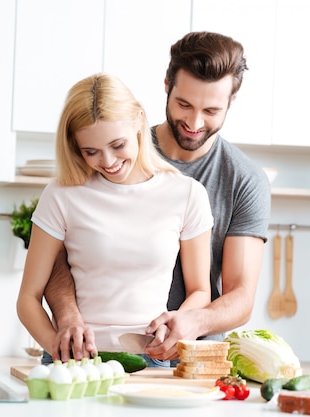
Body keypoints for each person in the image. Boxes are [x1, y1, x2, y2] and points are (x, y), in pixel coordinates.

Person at [44, 31, 272, 363]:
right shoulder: (115, 149)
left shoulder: (243, 180)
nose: (195, 122)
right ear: (166, 84)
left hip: (190, 361)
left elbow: (241, 295)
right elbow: (58, 257)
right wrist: (67, 316)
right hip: (96, 354)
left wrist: (194, 320)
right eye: (184, 104)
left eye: (211, 110)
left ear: (231, 102)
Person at [16, 73, 214, 367]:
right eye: (91, 152)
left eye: (117, 145)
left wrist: (179, 325)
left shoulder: (187, 194)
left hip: (150, 357)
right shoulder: (61, 194)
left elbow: (200, 291)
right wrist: (58, 349)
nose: (108, 161)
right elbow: (28, 299)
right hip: (75, 363)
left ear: (139, 121)